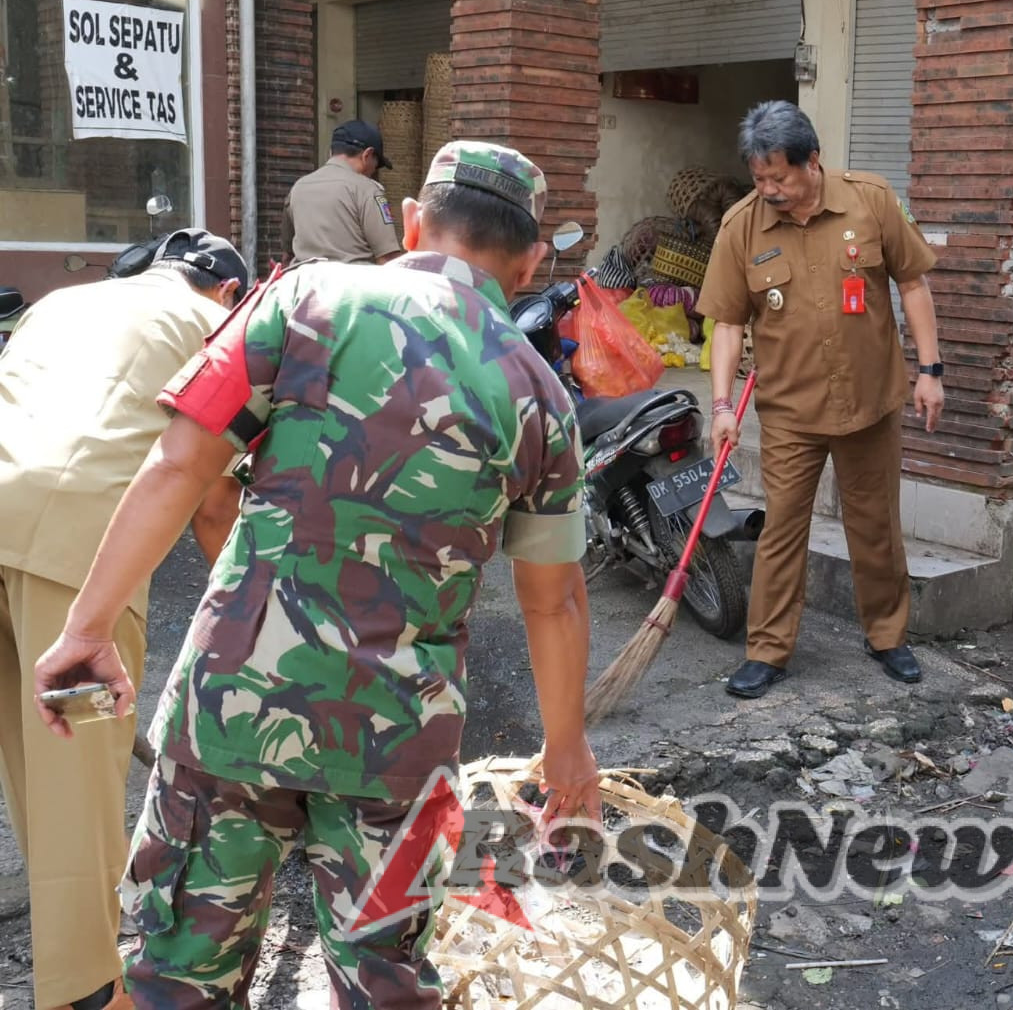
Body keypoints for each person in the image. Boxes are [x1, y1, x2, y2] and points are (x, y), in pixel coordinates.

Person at [33, 141, 602, 1009]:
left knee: (175, 977)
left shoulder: (301, 296)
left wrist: (87, 630)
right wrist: (568, 751)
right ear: (530, 262)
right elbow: (553, 599)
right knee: (385, 986)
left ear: (413, 219)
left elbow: (179, 465)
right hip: (399, 749)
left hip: (231, 715)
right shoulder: (539, 394)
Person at [0, 229, 249, 1010]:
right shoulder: (214, 331)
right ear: (229, 294)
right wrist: (243, 624)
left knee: (22, 756)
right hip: (74, 548)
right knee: (73, 778)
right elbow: (212, 501)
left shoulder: (59, 302)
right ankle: (90, 992)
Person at [695, 101, 946, 700]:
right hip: (790, 412)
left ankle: (887, 636)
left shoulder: (872, 200)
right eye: (759, 178)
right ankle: (769, 650)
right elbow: (728, 324)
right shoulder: (741, 227)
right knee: (782, 530)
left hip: (871, 401)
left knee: (876, 525)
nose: (770, 189)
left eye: (779, 176)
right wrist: (723, 405)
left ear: (813, 161)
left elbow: (912, 283)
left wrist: (930, 370)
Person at [281, 119, 404, 266]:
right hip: (353, 285)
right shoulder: (368, 190)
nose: (373, 171)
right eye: (376, 165)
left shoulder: (298, 187)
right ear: (368, 155)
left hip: (306, 284)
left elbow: (287, 256)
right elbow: (387, 258)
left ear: (331, 152)